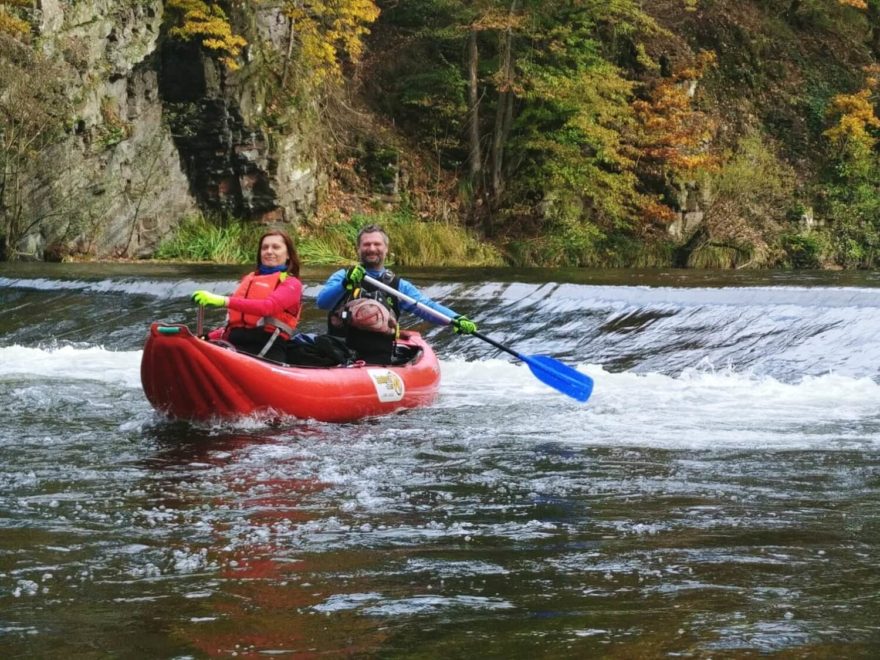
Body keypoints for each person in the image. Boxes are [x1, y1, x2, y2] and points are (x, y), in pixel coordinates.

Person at [316, 223, 477, 364]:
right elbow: (322, 303)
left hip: (379, 356)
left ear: (386, 249)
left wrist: (454, 319)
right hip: (339, 353)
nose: (372, 248)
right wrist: (345, 284)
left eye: (377, 244)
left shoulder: (399, 286)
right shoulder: (343, 276)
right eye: (366, 244)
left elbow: (426, 307)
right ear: (358, 248)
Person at [191, 229, 303, 363]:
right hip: (235, 343)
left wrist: (222, 300)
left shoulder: (292, 283)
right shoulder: (249, 279)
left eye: (276, 247)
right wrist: (206, 337)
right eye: (264, 248)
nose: (269, 251)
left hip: (268, 346)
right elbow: (236, 325)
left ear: (288, 255)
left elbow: (268, 307)